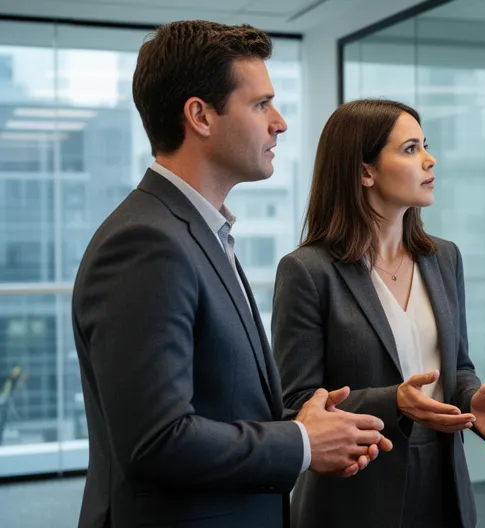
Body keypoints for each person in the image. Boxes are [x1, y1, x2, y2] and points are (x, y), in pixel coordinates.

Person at [71, 21, 391, 528]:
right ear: (199, 115)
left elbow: (218, 404)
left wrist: (307, 425)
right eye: (261, 104)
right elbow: (157, 441)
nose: (279, 122)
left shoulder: (198, 231)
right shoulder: (147, 243)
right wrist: (302, 442)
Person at [272, 99, 485, 527]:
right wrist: (393, 402)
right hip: (356, 494)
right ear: (365, 171)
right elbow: (297, 406)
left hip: (443, 483)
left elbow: (456, 367)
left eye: (425, 146)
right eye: (411, 149)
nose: (430, 160)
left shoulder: (443, 258)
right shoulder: (308, 271)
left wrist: (471, 398)